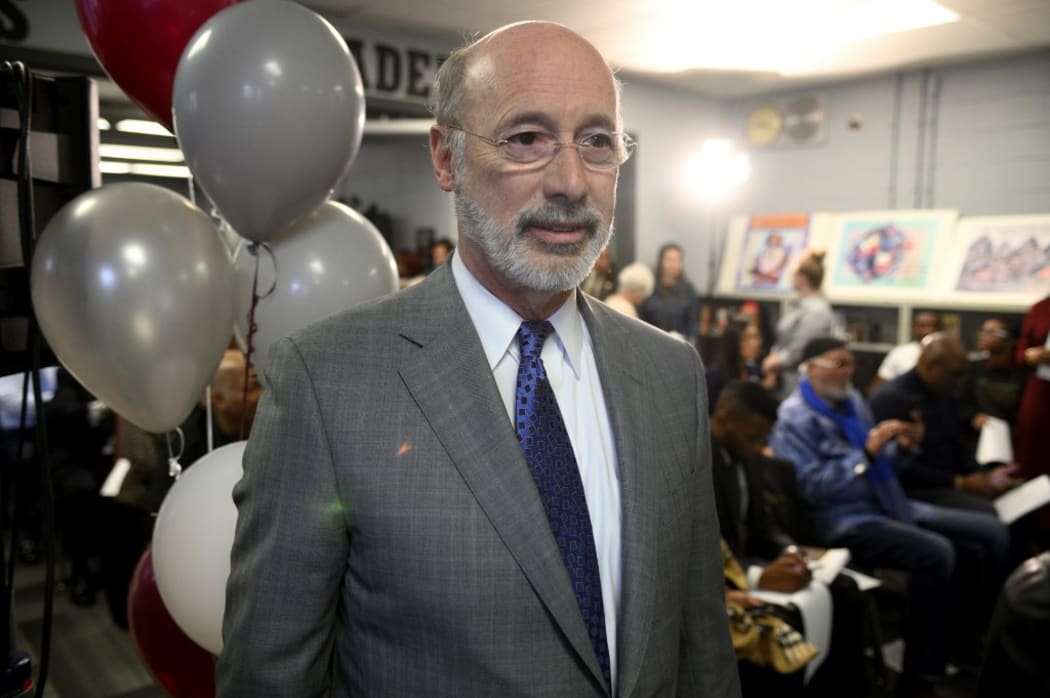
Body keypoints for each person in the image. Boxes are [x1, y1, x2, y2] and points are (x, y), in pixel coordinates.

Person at [217, 21, 739, 697]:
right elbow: (270, 677)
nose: (571, 181)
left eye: (597, 141)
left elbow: (702, 647)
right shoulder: (326, 383)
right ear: (445, 157)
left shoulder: (671, 374)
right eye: (527, 138)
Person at [770, 337, 1010, 697]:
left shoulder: (851, 402)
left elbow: (882, 467)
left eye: (851, 363)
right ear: (811, 367)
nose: (848, 371)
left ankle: (970, 644)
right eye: (838, 364)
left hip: (886, 501)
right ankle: (920, 673)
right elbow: (812, 489)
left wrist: (903, 449)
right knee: (937, 552)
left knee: (990, 530)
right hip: (841, 519)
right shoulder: (794, 417)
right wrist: (864, 456)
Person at [710, 380, 867, 697]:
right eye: (753, 437)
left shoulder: (748, 456)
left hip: (752, 559)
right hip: (721, 577)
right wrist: (757, 576)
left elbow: (763, 525)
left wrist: (792, 550)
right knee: (786, 621)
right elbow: (701, 543)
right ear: (724, 418)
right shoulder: (696, 462)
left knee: (846, 590)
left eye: (764, 438)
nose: (760, 448)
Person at [869, 333, 1020, 515]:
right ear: (931, 366)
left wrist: (982, 476)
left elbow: (956, 442)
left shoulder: (943, 390)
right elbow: (900, 469)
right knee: (992, 515)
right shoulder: (892, 399)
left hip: (949, 482)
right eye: (955, 374)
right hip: (916, 490)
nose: (960, 381)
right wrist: (961, 483)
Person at [762, 250, 839, 397]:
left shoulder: (817, 311)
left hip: (799, 383)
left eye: (793, 273)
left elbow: (801, 349)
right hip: (784, 379)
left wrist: (774, 362)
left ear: (802, 277)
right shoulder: (800, 306)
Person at [1013, 294, 1050, 535]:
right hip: (1042, 395)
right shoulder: (1040, 308)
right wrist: (1031, 356)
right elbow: (1019, 352)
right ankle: (1030, 530)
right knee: (1033, 460)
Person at [705, 320, 778, 412]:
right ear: (734, 341)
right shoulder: (715, 376)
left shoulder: (754, 370)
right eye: (749, 337)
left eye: (758, 336)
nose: (757, 343)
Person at [638, 243, 700, 344]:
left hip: (680, 346)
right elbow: (641, 318)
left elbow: (693, 322)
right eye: (669, 260)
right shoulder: (649, 286)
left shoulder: (688, 290)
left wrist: (691, 343)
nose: (673, 264)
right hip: (652, 343)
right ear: (661, 261)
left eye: (677, 260)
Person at [869, 310, 941, 391]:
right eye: (922, 326)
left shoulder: (948, 353)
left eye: (933, 326)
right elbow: (876, 388)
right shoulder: (900, 353)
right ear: (915, 328)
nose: (928, 330)